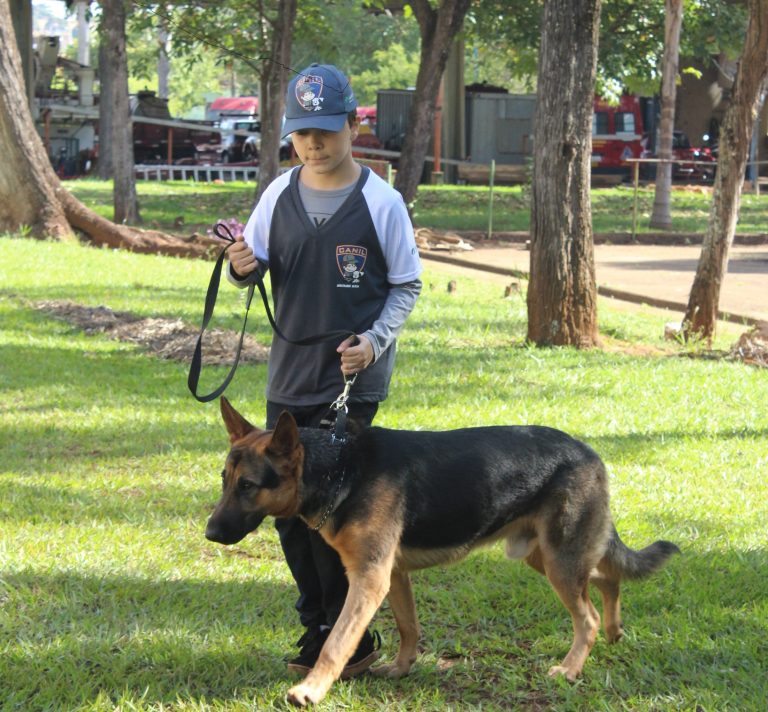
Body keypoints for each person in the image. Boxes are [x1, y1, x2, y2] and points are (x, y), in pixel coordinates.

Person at [225, 63, 423, 678]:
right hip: (288, 378)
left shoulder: (380, 201)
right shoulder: (278, 195)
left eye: (326, 130)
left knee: (335, 517)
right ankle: (317, 625)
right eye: (301, 132)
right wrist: (238, 264)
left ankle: (350, 644)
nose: (313, 144)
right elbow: (250, 266)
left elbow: (407, 285)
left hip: (350, 385)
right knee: (286, 513)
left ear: (352, 124)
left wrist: (374, 340)